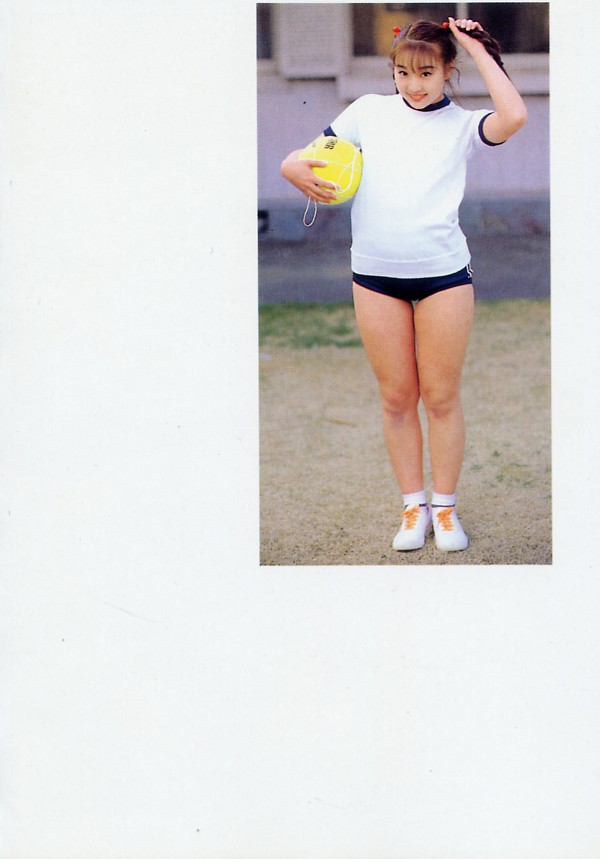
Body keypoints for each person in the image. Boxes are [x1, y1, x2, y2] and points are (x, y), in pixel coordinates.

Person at [280, 18, 527, 552]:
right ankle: (414, 506)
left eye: (427, 72)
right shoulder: (367, 112)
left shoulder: (463, 126)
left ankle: (445, 509)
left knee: (440, 397)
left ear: (448, 70)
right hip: (374, 278)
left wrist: (478, 48)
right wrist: (289, 167)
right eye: (403, 73)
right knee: (397, 398)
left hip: (444, 278)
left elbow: (514, 116)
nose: (414, 84)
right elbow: (303, 156)